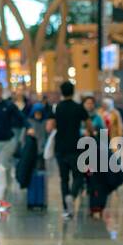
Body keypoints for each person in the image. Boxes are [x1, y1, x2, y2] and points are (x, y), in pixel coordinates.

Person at [52, 81, 88, 218]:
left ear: (61, 92)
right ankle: (72, 196)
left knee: (64, 179)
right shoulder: (78, 107)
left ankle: (67, 210)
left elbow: (51, 125)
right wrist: (90, 132)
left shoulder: (58, 108)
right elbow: (88, 123)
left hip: (60, 147)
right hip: (76, 147)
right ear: (73, 92)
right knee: (78, 176)